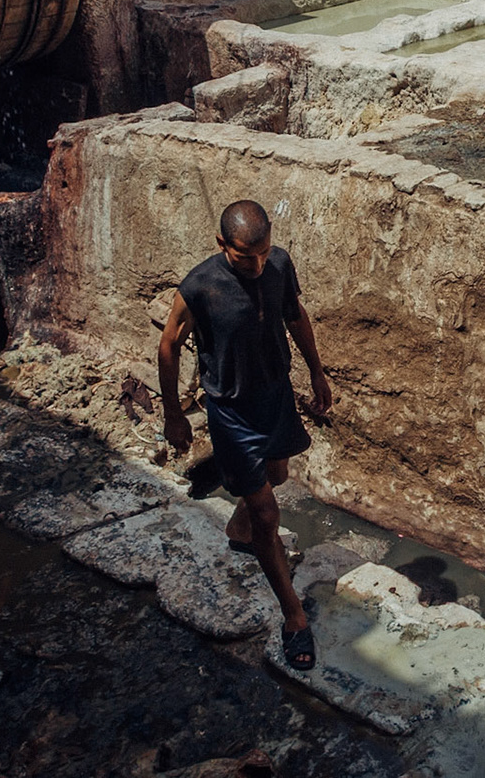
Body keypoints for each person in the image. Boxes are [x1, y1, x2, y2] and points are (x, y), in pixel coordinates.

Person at [158, 200, 335, 671]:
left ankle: (240, 527)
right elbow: (169, 345)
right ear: (222, 245)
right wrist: (173, 414)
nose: (256, 265)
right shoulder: (199, 286)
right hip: (231, 410)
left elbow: (295, 316)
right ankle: (293, 615)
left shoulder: (277, 264)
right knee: (267, 512)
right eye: (244, 257)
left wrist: (317, 372)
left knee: (277, 475)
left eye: (262, 252)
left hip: (275, 395)